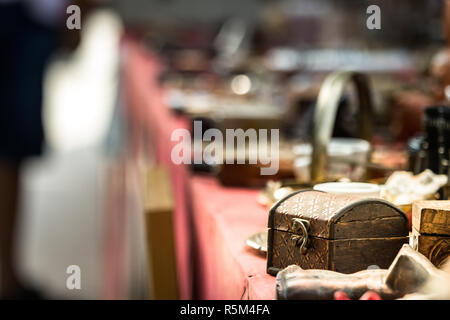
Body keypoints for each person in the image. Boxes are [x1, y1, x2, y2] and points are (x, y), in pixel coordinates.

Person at [0, 0, 99, 299]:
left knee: (11, 152)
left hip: (27, 21)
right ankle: (7, 278)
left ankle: (7, 275)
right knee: (10, 150)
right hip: (21, 22)